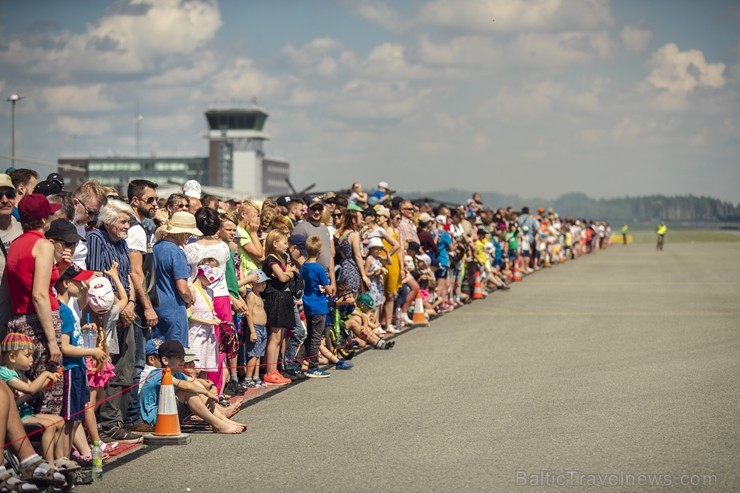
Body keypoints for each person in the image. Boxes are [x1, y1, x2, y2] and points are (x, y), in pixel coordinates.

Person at [5, 194, 65, 416]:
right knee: (50, 389)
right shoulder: (42, 244)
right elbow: (39, 294)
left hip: (18, 320)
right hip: (40, 321)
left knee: (25, 389)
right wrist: (52, 342)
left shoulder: (16, 244)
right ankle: (48, 449)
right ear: (42, 220)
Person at [138, 340, 245, 434]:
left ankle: (221, 419)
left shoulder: (177, 373)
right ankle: (217, 424)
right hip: (153, 418)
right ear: (165, 360)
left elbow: (201, 382)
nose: (183, 362)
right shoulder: (159, 373)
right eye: (179, 358)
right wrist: (207, 393)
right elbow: (187, 386)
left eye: (183, 358)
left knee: (196, 386)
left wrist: (212, 387)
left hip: (166, 412)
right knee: (188, 391)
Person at [0, 333, 66, 468]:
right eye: (27, 355)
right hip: (15, 417)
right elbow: (30, 389)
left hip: (25, 412)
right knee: (49, 426)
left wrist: (50, 380)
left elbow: (35, 387)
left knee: (59, 421)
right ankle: (50, 464)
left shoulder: (19, 373)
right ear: (12, 357)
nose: (31, 359)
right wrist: (46, 374)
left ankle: (61, 459)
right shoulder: (4, 373)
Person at [125, 179, 159, 429]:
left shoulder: (138, 227)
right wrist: (146, 306)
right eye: (150, 200)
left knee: (136, 361)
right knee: (136, 363)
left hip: (133, 302)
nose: (155, 204)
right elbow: (135, 272)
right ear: (135, 201)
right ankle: (132, 417)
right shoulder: (135, 229)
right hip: (136, 305)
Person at [260, 230, 296, 386]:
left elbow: (286, 274)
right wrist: (290, 272)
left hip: (284, 298)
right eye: (284, 242)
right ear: (275, 243)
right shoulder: (271, 259)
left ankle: (275, 370)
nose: (287, 246)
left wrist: (288, 272)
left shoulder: (282, 258)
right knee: (274, 338)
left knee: (280, 337)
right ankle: (270, 371)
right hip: (276, 298)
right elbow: (282, 277)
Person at [300, 236, 332, 378]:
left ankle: (304, 360)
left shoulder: (304, 266)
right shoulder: (318, 268)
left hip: (308, 303)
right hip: (318, 304)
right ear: (319, 252)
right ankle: (313, 366)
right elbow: (328, 288)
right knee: (316, 337)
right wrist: (327, 289)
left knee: (311, 335)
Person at [187, 263, 222, 380]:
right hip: (195, 333)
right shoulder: (192, 289)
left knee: (206, 369)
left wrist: (214, 319)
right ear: (201, 276)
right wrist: (207, 322)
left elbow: (210, 311)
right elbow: (188, 315)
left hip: (208, 334)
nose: (211, 282)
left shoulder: (210, 291)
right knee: (195, 369)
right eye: (210, 278)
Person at [244, 270, 269, 388]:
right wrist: (252, 331)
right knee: (253, 353)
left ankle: (256, 376)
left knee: (259, 354)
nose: (263, 285)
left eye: (264, 282)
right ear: (252, 284)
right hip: (255, 328)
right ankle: (248, 377)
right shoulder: (251, 296)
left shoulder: (259, 295)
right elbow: (248, 313)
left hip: (262, 328)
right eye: (260, 283)